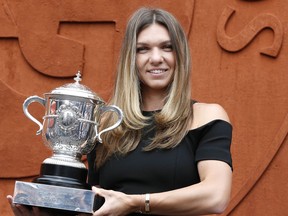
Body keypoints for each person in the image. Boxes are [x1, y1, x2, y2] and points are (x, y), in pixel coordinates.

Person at [7, 7, 233, 216]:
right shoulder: (107, 122)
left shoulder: (205, 116)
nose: (156, 58)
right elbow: (95, 204)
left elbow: (215, 196)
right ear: (130, 59)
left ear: (180, 55)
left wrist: (136, 202)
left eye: (167, 47)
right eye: (142, 49)